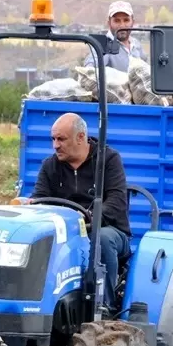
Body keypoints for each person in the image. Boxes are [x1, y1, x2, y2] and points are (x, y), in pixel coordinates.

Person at [18, 113, 131, 311]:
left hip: (109, 230)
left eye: (61, 139)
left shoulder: (109, 160)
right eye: (53, 139)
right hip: (68, 231)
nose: (55, 145)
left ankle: (105, 306)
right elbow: (41, 204)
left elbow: (116, 203)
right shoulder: (49, 166)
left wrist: (87, 219)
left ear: (81, 137)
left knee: (101, 239)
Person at [84, 0, 146, 72]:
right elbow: (90, 67)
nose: (122, 25)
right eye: (117, 21)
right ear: (109, 23)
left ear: (133, 22)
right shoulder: (103, 44)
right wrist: (90, 69)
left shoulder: (136, 44)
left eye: (126, 20)